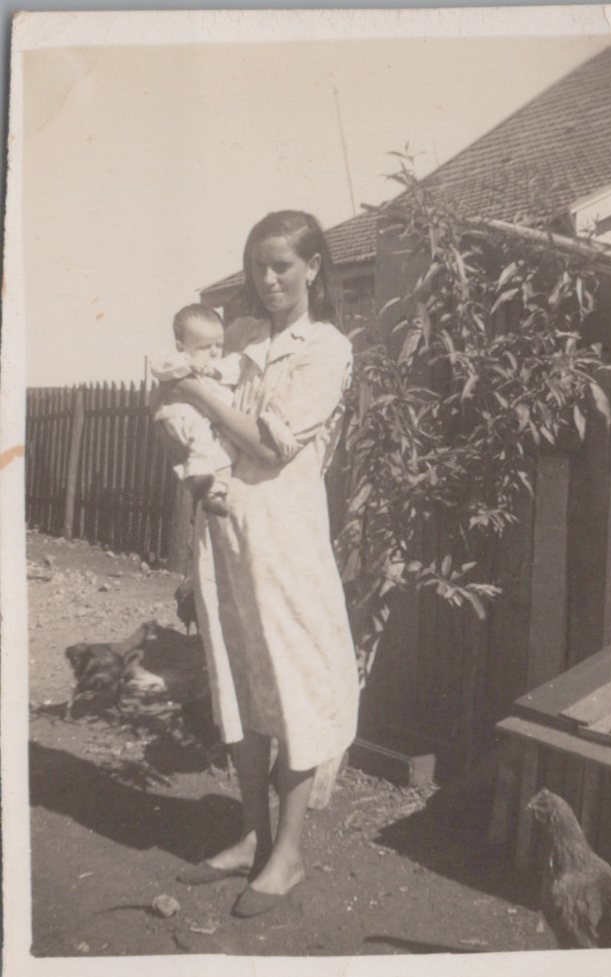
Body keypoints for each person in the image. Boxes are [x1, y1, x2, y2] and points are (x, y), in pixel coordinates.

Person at [171, 211, 360, 917]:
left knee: (291, 684)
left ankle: (289, 852)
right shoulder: (242, 335)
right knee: (238, 679)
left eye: (282, 265)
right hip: (224, 532)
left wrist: (195, 391)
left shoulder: (327, 348)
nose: (269, 278)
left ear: (313, 267)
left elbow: (271, 443)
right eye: (259, 265)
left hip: (285, 541)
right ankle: (251, 833)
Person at [150, 304, 241, 515]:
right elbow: (159, 366)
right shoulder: (177, 360)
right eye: (204, 347)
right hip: (183, 415)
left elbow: (233, 370)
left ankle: (214, 494)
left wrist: (213, 371)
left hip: (206, 422)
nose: (214, 352)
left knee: (224, 453)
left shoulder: (218, 365)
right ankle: (198, 478)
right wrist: (187, 365)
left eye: (219, 345)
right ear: (181, 347)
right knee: (201, 438)